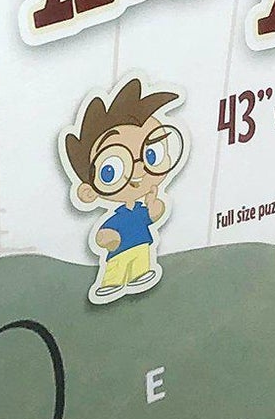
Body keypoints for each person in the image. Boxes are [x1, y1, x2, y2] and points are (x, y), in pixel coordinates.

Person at [62, 77, 186, 304]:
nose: (139, 170)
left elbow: (154, 216)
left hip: (142, 245)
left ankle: (140, 275)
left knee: (140, 263)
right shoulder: (116, 217)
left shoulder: (140, 209)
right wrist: (108, 238)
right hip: (118, 251)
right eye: (111, 169)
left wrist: (153, 204)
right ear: (88, 191)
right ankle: (110, 284)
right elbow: (101, 237)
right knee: (115, 269)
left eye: (151, 155)